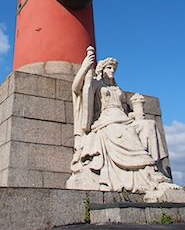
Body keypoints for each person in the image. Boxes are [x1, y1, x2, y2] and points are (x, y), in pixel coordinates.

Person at [67, 47, 177, 197]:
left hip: (123, 119)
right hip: (107, 121)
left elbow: (125, 110)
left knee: (148, 125)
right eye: (109, 67)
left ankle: (156, 171)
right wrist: (86, 65)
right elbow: (76, 88)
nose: (112, 71)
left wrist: (136, 113)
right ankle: (148, 171)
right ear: (102, 69)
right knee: (123, 131)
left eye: (114, 68)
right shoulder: (96, 84)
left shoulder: (117, 88)